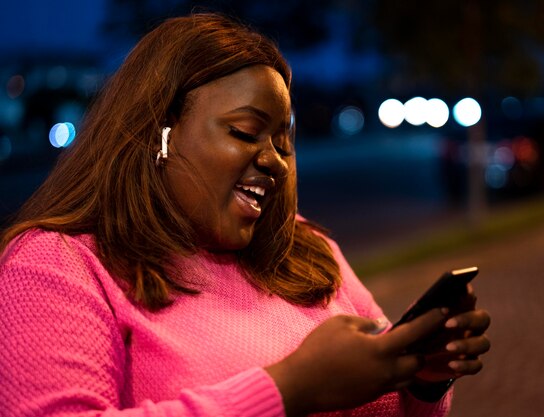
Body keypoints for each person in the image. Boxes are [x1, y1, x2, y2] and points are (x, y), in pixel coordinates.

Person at [0, 13, 490, 417]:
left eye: (282, 140)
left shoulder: (308, 247)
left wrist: (423, 381)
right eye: (245, 132)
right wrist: (288, 390)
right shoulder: (56, 264)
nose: (276, 159)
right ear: (158, 134)